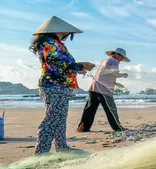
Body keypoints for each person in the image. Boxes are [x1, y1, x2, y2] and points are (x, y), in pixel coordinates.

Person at [30, 16, 95, 155]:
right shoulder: (49, 43)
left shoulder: (56, 43)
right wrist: (81, 65)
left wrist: (78, 69)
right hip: (53, 86)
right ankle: (41, 152)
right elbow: (55, 65)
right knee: (52, 118)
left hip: (60, 87)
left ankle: (61, 147)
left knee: (60, 118)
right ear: (63, 31)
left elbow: (63, 65)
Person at [77, 48, 130, 132]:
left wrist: (116, 84)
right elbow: (113, 73)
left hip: (93, 86)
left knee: (90, 109)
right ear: (117, 55)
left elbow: (104, 74)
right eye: (122, 57)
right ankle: (117, 127)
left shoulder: (104, 60)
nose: (121, 60)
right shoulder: (114, 61)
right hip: (103, 89)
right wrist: (123, 75)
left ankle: (83, 127)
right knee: (111, 108)